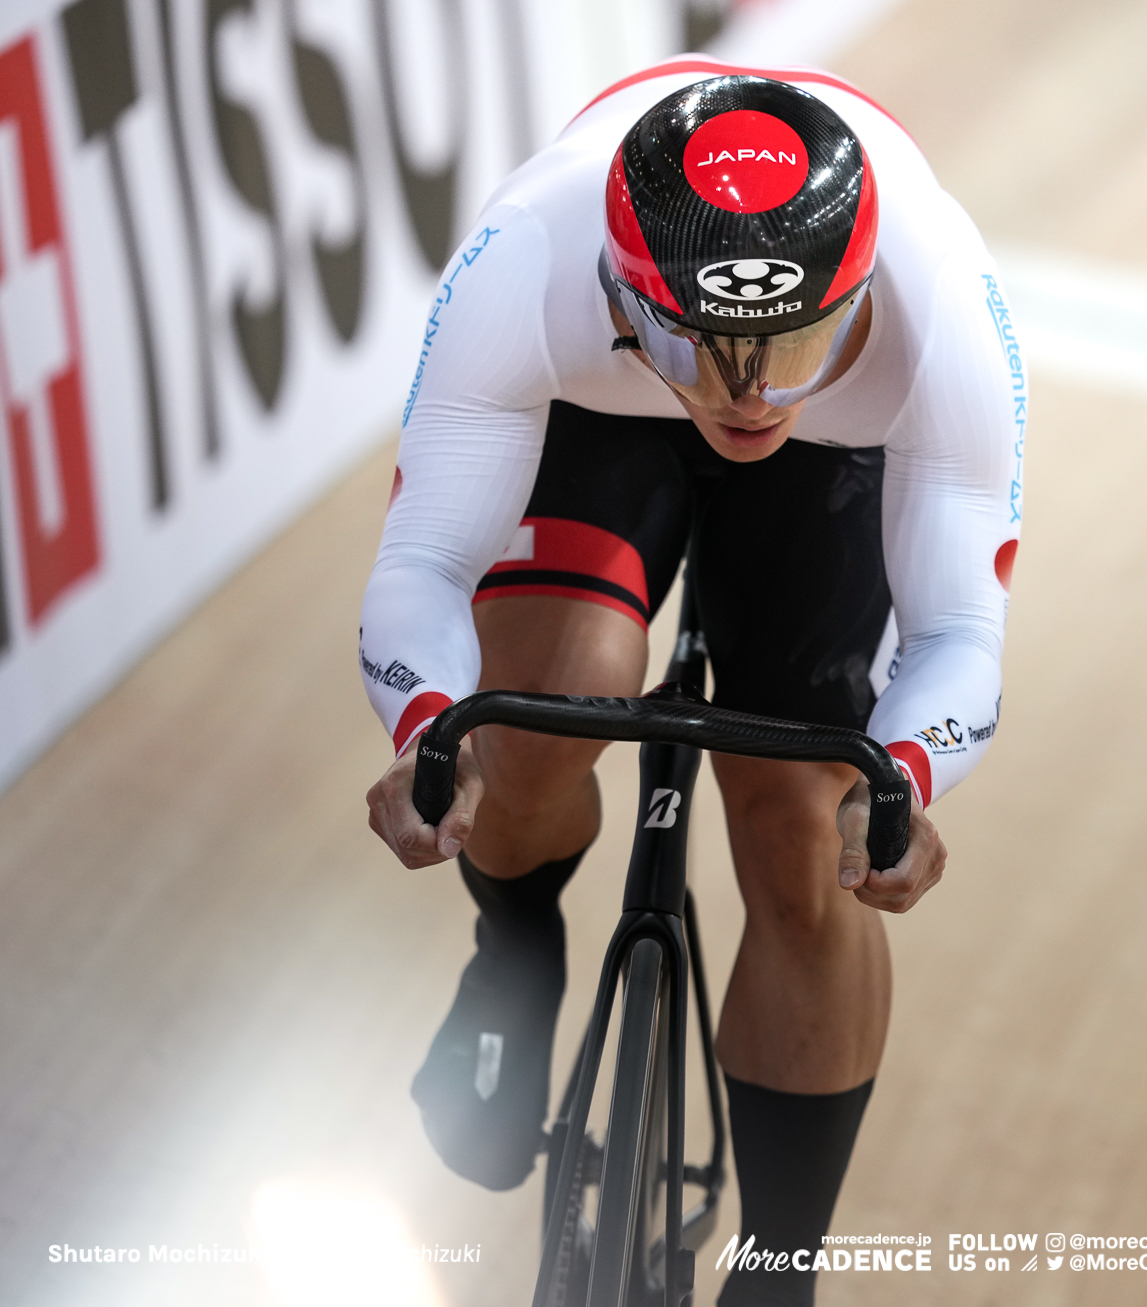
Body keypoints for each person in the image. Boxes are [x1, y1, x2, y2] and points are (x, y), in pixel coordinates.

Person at [358, 56, 1023, 1305]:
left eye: (793, 343)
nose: (748, 393)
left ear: (861, 292)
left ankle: (780, 1270)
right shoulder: (528, 262)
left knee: (805, 832)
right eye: (704, 344)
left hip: (836, 438)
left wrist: (908, 781)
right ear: (619, 286)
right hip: (603, 399)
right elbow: (421, 567)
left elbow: (961, 636)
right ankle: (515, 945)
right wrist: (430, 733)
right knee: (552, 708)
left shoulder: (942, 309)